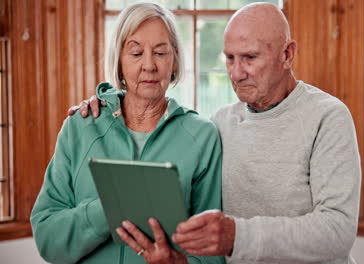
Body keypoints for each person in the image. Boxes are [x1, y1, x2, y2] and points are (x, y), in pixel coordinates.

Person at [72, 3, 361, 264]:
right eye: (230, 58)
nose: (236, 73)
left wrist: (237, 236)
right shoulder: (219, 125)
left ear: (287, 55)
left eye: (249, 58)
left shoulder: (328, 117)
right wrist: (106, 100)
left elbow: (337, 230)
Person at [31, 3, 224, 264]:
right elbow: (47, 239)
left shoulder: (202, 137)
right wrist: (111, 208)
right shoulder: (81, 126)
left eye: (160, 52)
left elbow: (213, 255)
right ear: (119, 61)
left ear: (175, 59)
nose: (149, 65)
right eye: (135, 53)